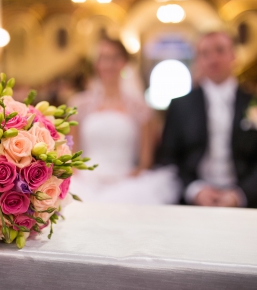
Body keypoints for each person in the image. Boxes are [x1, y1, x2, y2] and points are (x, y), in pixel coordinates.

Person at [158, 31, 257, 208]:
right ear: (198, 60)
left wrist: (240, 195)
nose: (213, 59)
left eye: (220, 51)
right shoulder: (180, 105)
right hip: (193, 197)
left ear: (234, 56)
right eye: (205, 54)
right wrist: (194, 190)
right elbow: (167, 157)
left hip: (245, 196)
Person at [69, 37, 181, 205]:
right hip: (85, 181)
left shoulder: (140, 108)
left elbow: (145, 161)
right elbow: (70, 153)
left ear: (124, 63)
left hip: (125, 183)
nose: (108, 64)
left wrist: (124, 181)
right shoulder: (79, 105)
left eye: (114, 58)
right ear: (96, 64)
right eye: (103, 58)